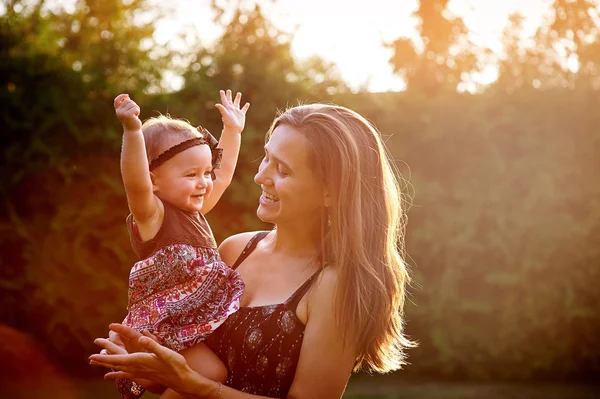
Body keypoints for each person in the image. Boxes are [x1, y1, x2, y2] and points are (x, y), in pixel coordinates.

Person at [91, 103, 415, 398]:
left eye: (283, 170)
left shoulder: (335, 283)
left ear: (330, 192)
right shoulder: (235, 250)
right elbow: (183, 367)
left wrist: (195, 385)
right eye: (265, 158)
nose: (260, 176)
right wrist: (150, 365)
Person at [110, 90, 250, 399]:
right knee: (212, 374)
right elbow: (135, 182)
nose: (204, 182)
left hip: (194, 322)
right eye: (191, 174)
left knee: (218, 369)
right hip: (166, 325)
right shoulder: (153, 216)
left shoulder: (195, 210)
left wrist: (232, 131)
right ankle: (149, 373)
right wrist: (132, 131)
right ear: (154, 180)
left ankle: (154, 379)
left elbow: (223, 175)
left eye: (205, 173)